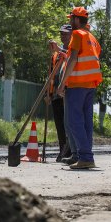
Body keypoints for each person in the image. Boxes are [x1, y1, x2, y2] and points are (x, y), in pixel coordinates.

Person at [58, 7, 102, 170]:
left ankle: (85, 157)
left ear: (76, 20)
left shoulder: (77, 34)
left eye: (71, 19)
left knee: (73, 121)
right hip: (90, 85)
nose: (70, 22)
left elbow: (73, 59)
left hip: (77, 84)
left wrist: (62, 83)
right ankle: (84, 156)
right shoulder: (92, 38)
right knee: (85, 123)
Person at [47, 24, 74, 163]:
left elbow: (70, 55)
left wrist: (59, 49)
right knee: (59, 125)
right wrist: (48, 93)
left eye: (66, 34)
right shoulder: (57, 54)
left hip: (67, 92)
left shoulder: (72, 50)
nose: (63, 36)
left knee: (68, 123)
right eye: (61, 34)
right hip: (56, 94)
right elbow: (51, 73)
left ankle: (69, 151)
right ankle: (62, 150)